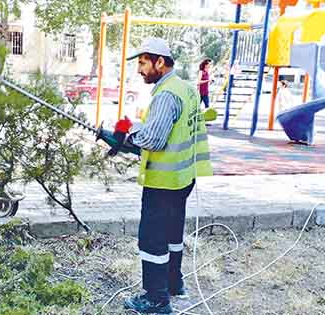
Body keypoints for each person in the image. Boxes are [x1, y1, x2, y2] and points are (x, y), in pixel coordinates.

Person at [100, 37, 213, 314]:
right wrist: (135, 132)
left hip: (163, 182)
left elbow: (154, 140)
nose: (139, 70)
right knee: (174, 233)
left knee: (152, 239)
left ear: (159, 62)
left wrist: (123, 137)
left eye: (142, 63)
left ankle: (156, 298)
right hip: (184, 177)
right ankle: (175, 283)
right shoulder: (186, 88)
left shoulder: (165, 95)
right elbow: (173, 130)